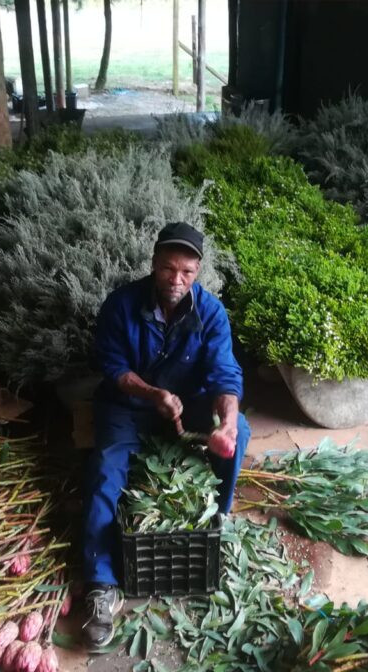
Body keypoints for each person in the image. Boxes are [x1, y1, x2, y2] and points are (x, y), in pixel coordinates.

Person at [81, 221, 251, 649]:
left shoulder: (210, 313)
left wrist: (226, 422)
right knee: (105, 469)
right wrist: (152, 393)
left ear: (198, 272)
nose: (176, 280)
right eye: (168, 269)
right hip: (130, 406)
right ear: (153, 264)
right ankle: (101, 585)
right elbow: (112, 366)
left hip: (187, 405)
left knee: (241, 431)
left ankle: (216, 523)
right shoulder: (120, 305)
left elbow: (225, 375)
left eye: (187, 272)